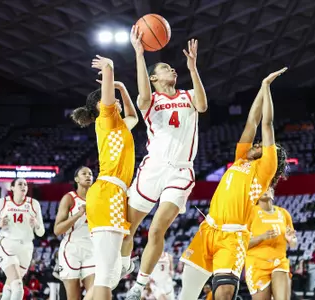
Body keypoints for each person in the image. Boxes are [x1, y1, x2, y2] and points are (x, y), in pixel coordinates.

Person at [178, 67, 288, 300]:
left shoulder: (264, 169)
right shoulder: (241, 158)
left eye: (267, 147)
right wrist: (260, 87)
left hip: (234, 236)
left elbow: (266, 124)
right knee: (187, 294)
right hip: (208, 230)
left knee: (225, 293)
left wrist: (267, 87)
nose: (259, 144)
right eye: (259, 144)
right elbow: (253, 120)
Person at [124, 25, 208, 299]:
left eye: (173, 68)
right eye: (166, 68)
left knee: (157, 228)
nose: (173, 70)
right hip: (152, 168)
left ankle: (139, 286)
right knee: (128, 228)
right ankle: (122, 266)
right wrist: (139, 53)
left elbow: (204, 106)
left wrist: (193, 68)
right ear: (153, 77)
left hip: (180, 172)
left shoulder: (187, 96)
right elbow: (144, 94)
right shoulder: (150, 100)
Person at [71, 54, 139, 300]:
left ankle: (125, 263)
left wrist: (121, 87)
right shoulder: (106, 119)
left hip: (113, 193)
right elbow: (108, 93)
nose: (116, 101)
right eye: (112, 97)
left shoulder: (119, 125)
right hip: (108, 193)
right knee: (104, 276)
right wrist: (109, 68)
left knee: (108, 276)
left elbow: (134, 117)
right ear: (101, 104)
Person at [0, 178, 45, 300]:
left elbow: (41, 233)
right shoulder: (3, 202)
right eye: (20, 184)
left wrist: (36, 224)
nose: (23, 186)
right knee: (18, 285)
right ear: (12, 188)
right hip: (7, 245)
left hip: (26, 248)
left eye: (25, 184)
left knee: (10, 284)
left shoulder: (34, 204)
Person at [245, 187, 296, 300]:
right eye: (262, 187)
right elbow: (242, 244)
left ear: (272, 192)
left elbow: (293, 243)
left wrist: (291, 240)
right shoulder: (250, 213)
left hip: (279, 262)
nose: (265, 190)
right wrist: (261, 238)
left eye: (268, 187)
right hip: (257, 265)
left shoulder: (284, 214)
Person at [54, 166, 95, 299]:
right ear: (76, 179)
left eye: (90, 174)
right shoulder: (69, 198)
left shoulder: (98, 200)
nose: (88, 176)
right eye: (84, 174)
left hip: (92, 249)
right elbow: (57, 230)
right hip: (72, 249)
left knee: (95, 294)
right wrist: (78, 214)